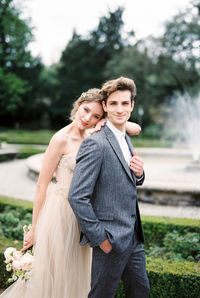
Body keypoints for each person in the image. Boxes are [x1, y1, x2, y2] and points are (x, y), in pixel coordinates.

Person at [0, 88, 141, 298]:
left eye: (95, 116)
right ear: (77, 105)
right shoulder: (60, 140)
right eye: (85, 111)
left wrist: (106, 122)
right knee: (58, 271)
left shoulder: (95, 133)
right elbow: (41, 185)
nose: (87, 119)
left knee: (81, 270)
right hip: (61, 212)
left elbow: (135, 128)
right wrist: (35, 227)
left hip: (86, 213)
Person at [68, 77, 150, 298]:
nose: (119, 109)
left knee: (141, 291)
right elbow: (77, 196)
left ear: (132, 106)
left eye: (125, 103)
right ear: (105, 106)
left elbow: (123, 178)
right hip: (110, 240)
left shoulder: (125, 138)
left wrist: (140, 175)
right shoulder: (95, 143)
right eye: (113, 103)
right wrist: (101, 240)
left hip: (133, 237)